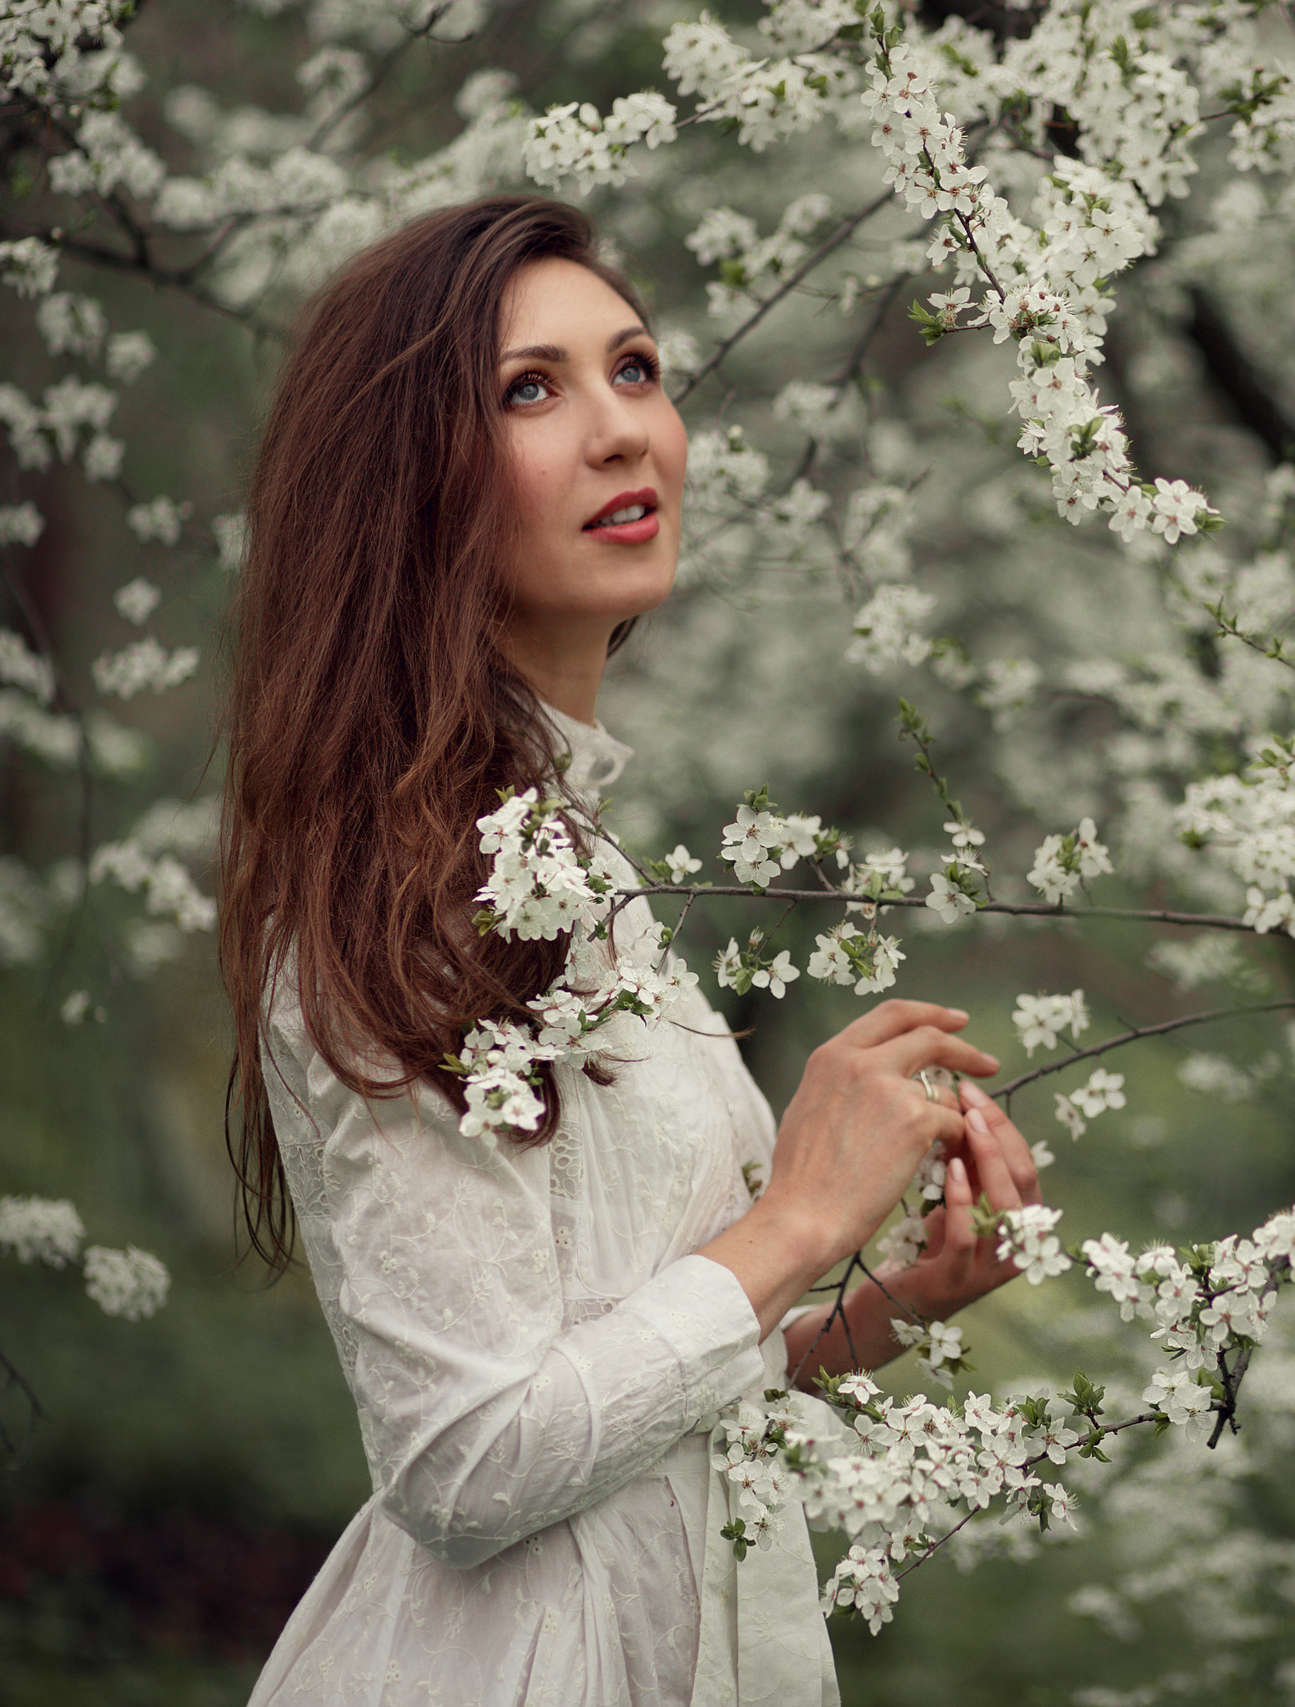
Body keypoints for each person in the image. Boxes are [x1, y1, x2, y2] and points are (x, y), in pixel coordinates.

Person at [215, 195, 1046, 1705]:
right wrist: (796, 1219)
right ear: (405, 485)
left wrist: (874, 1313)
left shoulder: (559, 849)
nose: (621, 432)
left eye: (637, 369)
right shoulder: (402, 883)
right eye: (531, 390)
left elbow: (613, 1390)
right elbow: (463, 1463)